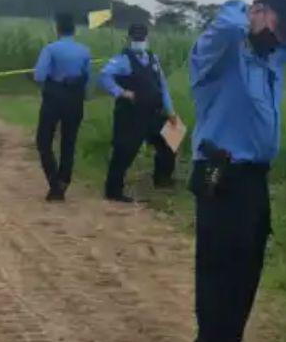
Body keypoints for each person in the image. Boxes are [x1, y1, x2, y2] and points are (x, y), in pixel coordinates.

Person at [188, 0, 286, 342]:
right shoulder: (222, 56)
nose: (284, 36)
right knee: (220, 274)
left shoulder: (269, 61)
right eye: (280, 23)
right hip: (223, 174)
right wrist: (249, 15)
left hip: (253, 180)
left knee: (244, 276)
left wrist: (277, 30)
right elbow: (224, 25)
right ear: (257, 12)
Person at [99, 23, 179, 203]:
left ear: (147, 38)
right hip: (131, 114)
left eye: (142, 38)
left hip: (155, 111)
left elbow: (162, 85)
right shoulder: (122, 59)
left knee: (172, 139)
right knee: (124, 150)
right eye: (136, 38)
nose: (139, 41)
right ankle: (113, 190)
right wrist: (121, 92)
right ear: (129, 39)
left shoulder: (153, 59)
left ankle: (162, 179)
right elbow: (104, 76)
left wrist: (170, 110)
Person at [33, 13, 92, 201]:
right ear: (74, 31)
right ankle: (64, 180)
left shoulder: (50, 49)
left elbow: (39, 76)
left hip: (54, 97)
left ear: (57, 29)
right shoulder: (85, 51)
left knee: (44, 141)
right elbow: (87, 77)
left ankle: (54, 182)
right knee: (69, 141)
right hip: (75, 98)